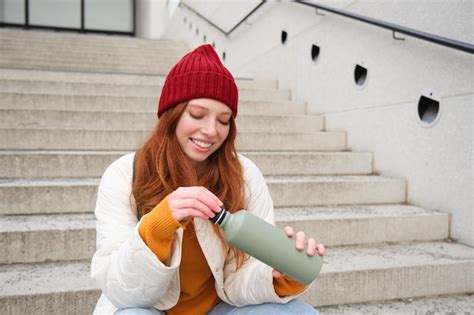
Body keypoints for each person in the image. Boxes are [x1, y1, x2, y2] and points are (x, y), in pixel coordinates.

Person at [91, 44, 325, 315]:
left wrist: (276, 276)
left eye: (224, 120)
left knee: (296, 313)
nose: (211, 131)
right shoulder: (124, 174)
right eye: (197, 115)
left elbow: (241, 276)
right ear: (172, 114)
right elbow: (121, 291)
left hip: (219, 309)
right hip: (149, 309)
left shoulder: (244, 175)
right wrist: (156, 227)